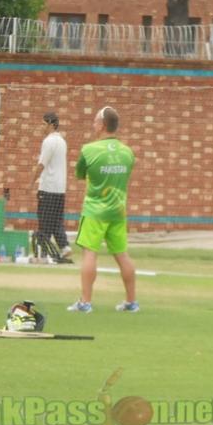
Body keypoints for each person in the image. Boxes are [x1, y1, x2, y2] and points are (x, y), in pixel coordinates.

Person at [67, 106, 139, 313]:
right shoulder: (128, 152)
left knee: (90, 253)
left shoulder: (89, 150)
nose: (93, 124)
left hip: (94, 212)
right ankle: (131, 302)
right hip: (118, 211)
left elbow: (79, 174)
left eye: (95, 121)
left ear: (103, 125)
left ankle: (85, 302)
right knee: (122, 255)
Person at [31, 111, 71, 261]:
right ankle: (65, 247)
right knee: (56, 220)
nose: (41, 127)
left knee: (44, 220)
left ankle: (42, 252)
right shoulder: (62, 141)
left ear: (51, 125)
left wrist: (31, 182)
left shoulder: (48, 141)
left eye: (43, 124)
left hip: (47, 188)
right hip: (60, 189)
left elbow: (41, 164)